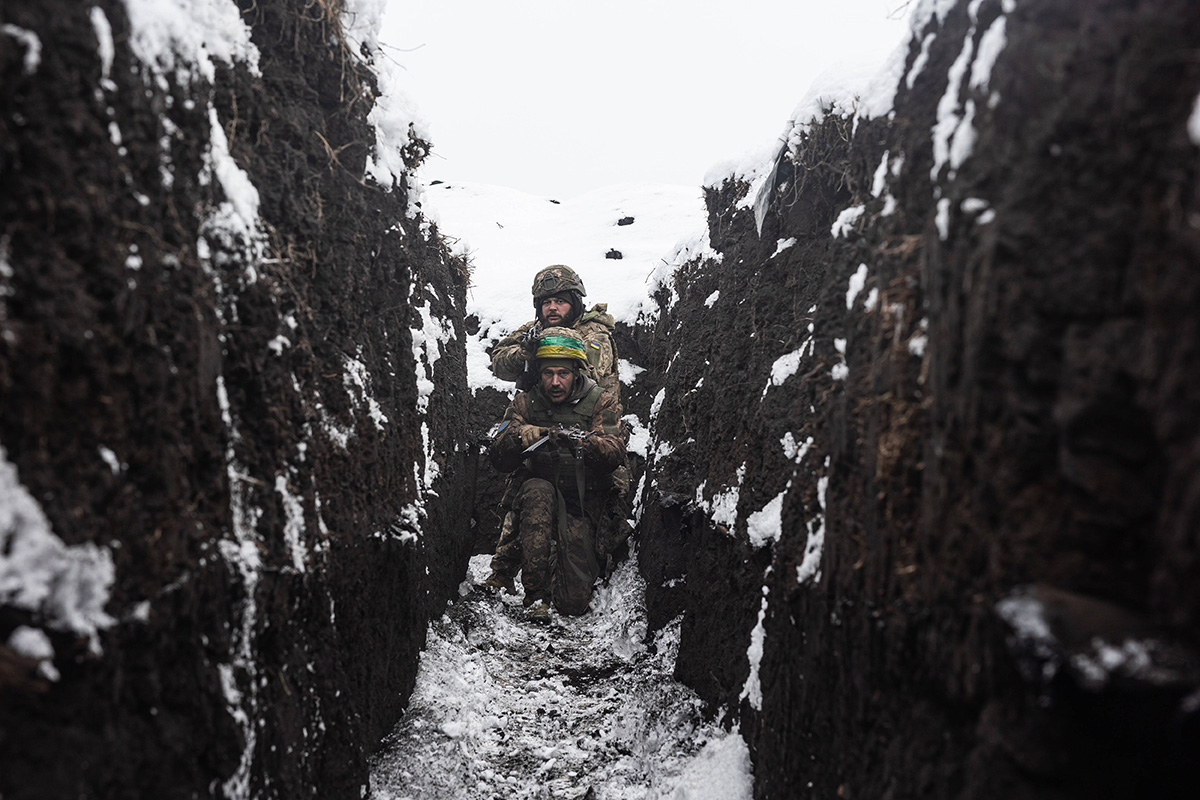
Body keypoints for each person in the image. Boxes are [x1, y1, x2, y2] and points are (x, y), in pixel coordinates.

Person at [483, 328, 626, 621]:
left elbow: (614, 452)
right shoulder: (525, 402)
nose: (555, 382)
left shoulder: (602, 402)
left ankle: (557, 561)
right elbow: (497, 456)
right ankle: (535, 595)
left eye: (563, 373)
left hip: (583, 503)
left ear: (577, 372)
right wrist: (519, 436)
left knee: (572, 604)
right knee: (536, 489)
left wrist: (584, 443)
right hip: (538, 496)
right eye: (548, 374)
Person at [490, 265, 620, 400]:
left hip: (589, 411)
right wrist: (521, 355)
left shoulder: (595, 335)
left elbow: (585, 381)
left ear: (575, 303)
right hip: (537, 409)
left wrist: (540, 358)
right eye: (546, 302)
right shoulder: (534, 329)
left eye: (560, 301)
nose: (552, 308)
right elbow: (499, 366)